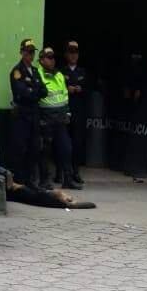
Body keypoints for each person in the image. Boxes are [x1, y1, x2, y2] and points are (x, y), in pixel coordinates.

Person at [37, 46, 82, 191]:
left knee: (66, 148)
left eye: (53, 57)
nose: (52, 60)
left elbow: (64, 95)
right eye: (48, 57)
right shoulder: (37, 74)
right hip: (45, 116)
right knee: (45, 150)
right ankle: (45, 180)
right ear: (41, 59)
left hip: (60, 118)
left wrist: (67, 113)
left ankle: (67, 179)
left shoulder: (59, 75)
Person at [10, 39, 46, 189]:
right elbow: (22, 93)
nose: (30, 55)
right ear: (22, 52)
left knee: (34, 148)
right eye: (28, 52)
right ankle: (19, 181)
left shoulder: (36, 71)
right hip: (23, 115)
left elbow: (44, 91)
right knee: (21, 148)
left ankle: (31, 181)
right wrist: (33, 91)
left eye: (32, 52)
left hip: (34, 115)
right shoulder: (17, 71)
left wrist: (33, 90)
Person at [60, 40, 87, 185]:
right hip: (65, 110)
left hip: (79, 112)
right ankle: (61, 172)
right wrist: (67, 89)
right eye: (70, 52)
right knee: (63, 143)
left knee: (77, 143)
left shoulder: (83, 72)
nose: (73, 55)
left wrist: (80, 89)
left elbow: (89, 89)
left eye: (75, 53)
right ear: (66, 54)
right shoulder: (61, 72)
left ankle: (75, 171)